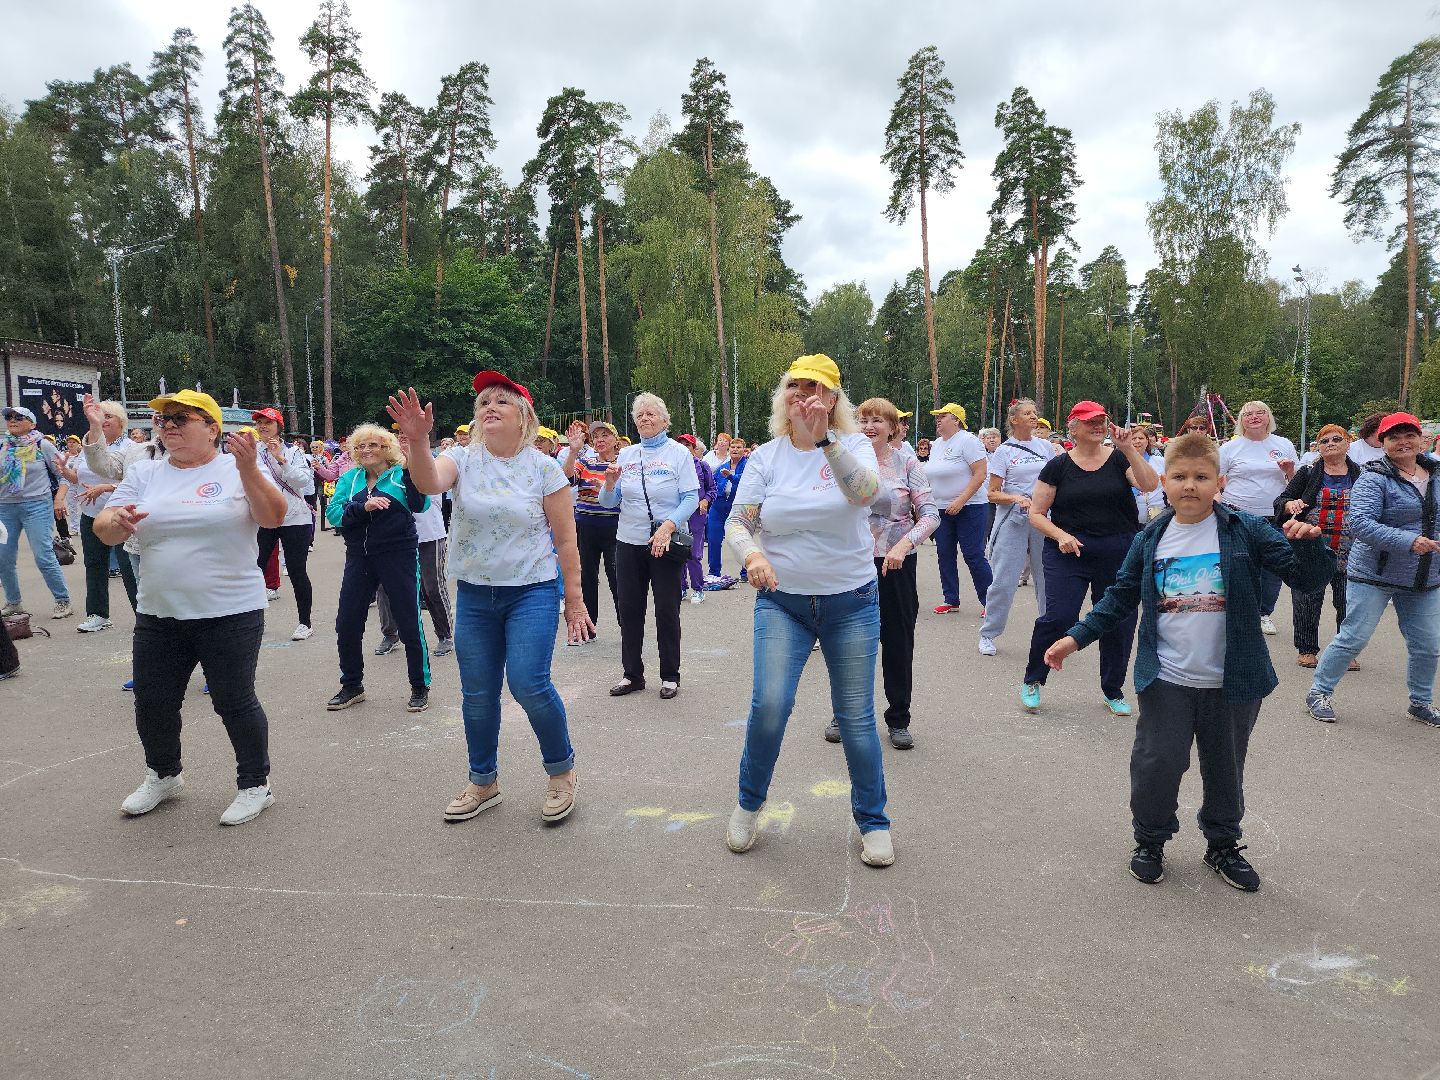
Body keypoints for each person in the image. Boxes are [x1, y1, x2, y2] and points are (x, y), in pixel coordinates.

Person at [1043, 432, 1333, 891]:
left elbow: (1307, 577)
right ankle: (1150, 840)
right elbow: (1119, 597)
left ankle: (1222, 844)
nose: (1190, 486)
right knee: (1157, 763)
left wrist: (1308, 542)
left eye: (1201, 477)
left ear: (1219, 482)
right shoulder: (1152, 537)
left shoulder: (1246, 530)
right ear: (1164, 481)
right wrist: (1075, 638)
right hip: (1167, 678)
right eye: (1180, 477)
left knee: (1225, 766)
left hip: (1233, 680)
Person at [388, 373, 592, 825]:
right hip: (477, 594)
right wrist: (419, 442)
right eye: (483, 401)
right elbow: (428, 484)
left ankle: (562, 773)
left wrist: (574, 600)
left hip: (533, 591)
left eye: (502, 400)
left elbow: (566, 541)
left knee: (527, 682)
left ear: (525, 418)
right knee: (478, 695)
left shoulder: (543, 468)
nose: (490, 406)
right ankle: (484, 781)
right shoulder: (461, 458)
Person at [723, 354, 894, 866]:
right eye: (795, 387)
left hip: (851, 601)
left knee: (856, 719)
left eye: (816, 389)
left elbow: (867, 495)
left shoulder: (854, 445)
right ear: (784, 398)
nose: (805, 397)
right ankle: (748, 804)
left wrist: (826, 441)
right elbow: (739, 520)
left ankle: (874, 821)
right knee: (769, 707)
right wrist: (751, 554)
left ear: (835, 400)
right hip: (784, 603)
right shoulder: (767, 456)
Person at [95, 389, 287, 825]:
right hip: (159, 610)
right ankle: (164, 775)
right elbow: (105, 528)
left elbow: (274, 517)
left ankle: (256, 785)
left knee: (233, 700)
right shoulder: (145, 472)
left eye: (182, 418)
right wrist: (115, 522)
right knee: (153, 700)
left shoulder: (238, 468)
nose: (169, 426)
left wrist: (249, 468)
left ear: (212, 428)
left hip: (230, 609)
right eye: (163, 420)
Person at [1020, 400, 1159, 715]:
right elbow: (1037, 514)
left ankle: (1113, 689)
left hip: (1118, 551)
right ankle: (1033, 679)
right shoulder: (1057, 466)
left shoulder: (1120, 458)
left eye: (1101, 420)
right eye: (1089, 421)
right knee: (1059, 617)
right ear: (1074, 428)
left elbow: (1150, 485)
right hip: (1069, 551)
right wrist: (1060, 535)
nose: (1097, 426)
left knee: (1119, 621)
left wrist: (1131, 450)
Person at [1304, 412, 1440, 727]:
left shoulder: (1435, 475)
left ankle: (1420, 702)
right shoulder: (1373, 476)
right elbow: (1361, 524)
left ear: (1422, 439)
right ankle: (1318, 693)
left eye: (1409, 435)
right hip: (1374, 574)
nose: (1403, 442)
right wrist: (1408, 541)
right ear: (1383, 443)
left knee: (1428, 645)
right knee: (1354, 637)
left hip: (1424, 576)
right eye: (1394, 437)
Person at [324, 423, 431, 713]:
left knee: (409, 622)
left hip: (399, 555)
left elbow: (421, 505)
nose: (366, 451)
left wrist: (410, 471)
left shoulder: (400, 475)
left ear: (387, 449)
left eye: (373, 445)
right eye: (360, 446)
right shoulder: (350, 479)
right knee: (346, 623)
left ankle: (419, 685)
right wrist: (363, 508)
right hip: (359, 556)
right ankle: (352, 685)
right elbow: (334, 514)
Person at [599, 392, 699, 699]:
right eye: (639, 415)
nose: (645, 418)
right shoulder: (627, 456)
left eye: (651, 414)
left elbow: (691, 498)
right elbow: (607, 503)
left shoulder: (677, 454)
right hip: (628, 542)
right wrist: (611, 483)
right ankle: (632, 675)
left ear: (665, 420)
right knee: (629, 609)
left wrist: (668, 527)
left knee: (667, 609)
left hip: (665, 542)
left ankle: (670, 675)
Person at [856, 397, 939, 749]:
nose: (869, 426)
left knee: (897, 642)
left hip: (896, 563)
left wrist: (904, 545)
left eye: (878, 420)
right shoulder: (843, 462)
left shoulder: (908, 462)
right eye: (863, 420)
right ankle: (845, 713)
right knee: (850, 644)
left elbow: (931, 514)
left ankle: (898, 718)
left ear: (893, 427)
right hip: (851, 564)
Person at [1274, 424, 1361, 668]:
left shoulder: (1361, 474)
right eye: (1324, 441)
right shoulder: (1308, 472)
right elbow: (1282, 499)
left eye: (1336, 439)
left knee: (1348, 602)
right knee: (1307, 598)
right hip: (1312, 546)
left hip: (1351, 548)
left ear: (1348, 443)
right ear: (1318, 448)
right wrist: (1290, 505)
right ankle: (1307, 649)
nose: (1330, 443)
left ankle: (1346, 652)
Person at [978, 399, 1055, 656]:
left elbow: (1057, 484)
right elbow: (992, 494)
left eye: (1035, 412)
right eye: (1027, 413)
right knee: (1003, 580)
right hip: (1013, 519)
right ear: (1014, 419)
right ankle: (988, 634)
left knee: (1047, 579)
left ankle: (1050, 635)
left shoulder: (1046, 447)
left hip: (1042, 518)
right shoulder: (1004, 452)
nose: (1034, 416)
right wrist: (1016, 498)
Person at [1218, 401, 1296, 636]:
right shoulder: (1230, 449)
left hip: (1275, 515)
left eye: (1259, 413)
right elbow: (1214, 480)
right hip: (1238, 513)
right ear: (1241, 420)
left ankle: (1263, 613)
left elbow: (1297, 484)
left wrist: (1290, 470)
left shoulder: (1283, 444)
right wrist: (1217, 504)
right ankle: (1236, 611)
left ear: (1268, 417)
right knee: (1239, 564)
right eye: (1248, 414)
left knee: (1273, 567)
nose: (1254, 417)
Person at [375, 434, 455, 657]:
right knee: (384, 587)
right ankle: (390, 633)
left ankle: (445, 635)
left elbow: (426, 496)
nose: (404, 441)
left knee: (432, 586)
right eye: (400, 437)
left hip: (429, 534)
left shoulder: (432, 463)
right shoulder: (386, 467)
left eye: (410, 437)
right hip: (395, 537)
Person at [248, 408, 316, 642]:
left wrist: (281, 459)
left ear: (279, 426)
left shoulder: (294, 451)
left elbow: (304, 481)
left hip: (295, 517)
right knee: (255, 569)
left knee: (297, 571)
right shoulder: (252, 452)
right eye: (259, 423)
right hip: (264, 517)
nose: (263, 427)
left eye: (268, 422)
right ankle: (252, 620)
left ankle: (305, 623)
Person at [0, 405, 72, 620]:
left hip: (36, 506)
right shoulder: (2, 446)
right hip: (4, 507)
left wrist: (59, 498)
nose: (12, 420)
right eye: (9, 417)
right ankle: (14, 603)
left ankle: (62, 600)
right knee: (3, 558)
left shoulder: (43, 445)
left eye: (19, 417)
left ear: (32, 423)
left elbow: (64, 476)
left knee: (43, 556)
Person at [925, 403, 991, 615]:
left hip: (970, 506)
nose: (938, 419)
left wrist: (961, 500)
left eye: (942, 416)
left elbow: (980, 474)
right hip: (942, 508)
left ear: (956, 420)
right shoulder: (936, 444)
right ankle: (951, 598)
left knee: (973, 554)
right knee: (944, 554)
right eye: (937, 416)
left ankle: (991, 601)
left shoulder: (968, 441)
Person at [563, 419, 622, 638]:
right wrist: (572, 451)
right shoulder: (585, 462)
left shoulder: (623, 463)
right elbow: (567, 478)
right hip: (586, 527)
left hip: (615, 528)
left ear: (615, 440)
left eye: (605, 435)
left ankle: (627, 626)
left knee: (618, 578)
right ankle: (588, 628)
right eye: (596, 436)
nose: (600, 440)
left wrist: (608, 488)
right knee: (586, 577)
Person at [676, 434, 716, 605]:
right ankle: (681, 587)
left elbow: (712, 490)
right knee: (677, 553)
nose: (684, 447)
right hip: (677, 515)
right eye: (681, 445)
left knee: (693, 554)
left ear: (694, 448)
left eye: (688, 445)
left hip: (697, 516)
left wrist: (705, 500)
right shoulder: (674, 466)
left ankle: (698, 589)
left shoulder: (702, 466)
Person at [708, 438, 747, 577]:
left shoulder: (748, 465)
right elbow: (711, 482)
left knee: (741, 540)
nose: (735, 449)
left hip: (737, 506)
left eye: (738, 447)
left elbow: (745, 481)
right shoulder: (722, 466)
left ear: (744, 450)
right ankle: (714, 572)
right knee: (713, 539)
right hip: (718, 506)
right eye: (733, 447)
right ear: (729, 449)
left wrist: (731, 476)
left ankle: (745, 572)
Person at [1132, 426, 1168, 523]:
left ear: (1147, 441)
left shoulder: (1160, 461)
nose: (1137, 441)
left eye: (1141, 438)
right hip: (1131, 513)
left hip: (1157, 511)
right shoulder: (1122, 463)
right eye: (1133, 438)